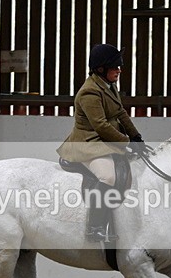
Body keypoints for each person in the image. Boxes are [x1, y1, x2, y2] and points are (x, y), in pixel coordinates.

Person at [57, 43, 146, 242]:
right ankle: (94, 227)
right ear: (100, 69)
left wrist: (136, 137)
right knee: (108, 177)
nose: (119, 70)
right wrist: (126, 142)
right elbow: (101, 126)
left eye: (119, 67)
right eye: (115, 67)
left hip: (105, 142)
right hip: (88, 144)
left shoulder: (109, 86)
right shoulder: (89, 92)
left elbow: (120, 113)